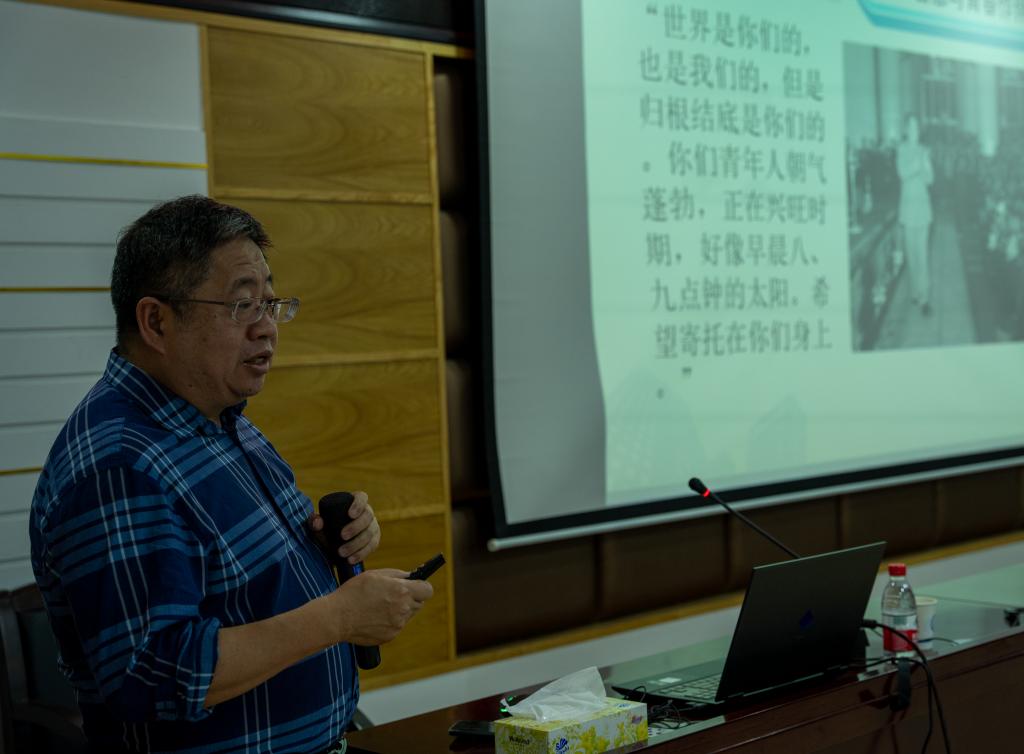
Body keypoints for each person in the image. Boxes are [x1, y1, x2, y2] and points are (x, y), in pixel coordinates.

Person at [28, 195, 433, 754]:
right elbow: (153, 674)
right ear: (156, 321)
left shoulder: (220, 418)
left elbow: (231, 581)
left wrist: (326, 547)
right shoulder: (119, 465)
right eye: (242, 305)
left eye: (270, 303)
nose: (267, 329)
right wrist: (339, 618)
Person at [896, 113, 934, 316]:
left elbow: (930, 180)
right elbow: (903, 173)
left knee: (923, 255)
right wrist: (919, 161)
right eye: (911, 127)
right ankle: (914, 291)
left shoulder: (923, 150)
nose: (914, 130)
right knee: (911, 255)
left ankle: (924, 298)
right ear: (905, 130)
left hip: (923, 208)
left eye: (916, 127)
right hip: (908, 209)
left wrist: (926, 164)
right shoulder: (902, 149)